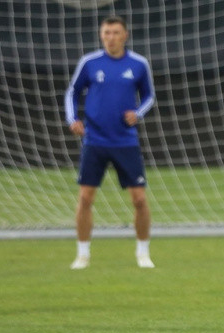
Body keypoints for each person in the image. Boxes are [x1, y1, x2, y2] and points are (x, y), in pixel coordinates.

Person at [64, 15, 156, 270]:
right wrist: (72, 119)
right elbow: (72, 92)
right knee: (85, 198)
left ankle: (143, 253)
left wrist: (137, 113)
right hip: (94, 140)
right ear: (101, 35)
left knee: (139, 199)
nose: (110, 38)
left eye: (115, 33)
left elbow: (149, 96)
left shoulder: (138, 64)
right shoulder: (90, 62)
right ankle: (82, 255)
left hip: (125, 141)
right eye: (106, 33)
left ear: (125, 35)